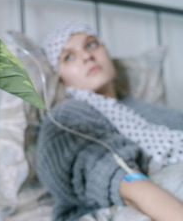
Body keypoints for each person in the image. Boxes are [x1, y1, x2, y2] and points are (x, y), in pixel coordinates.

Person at [36, 21, 183, 221]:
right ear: (60, 78)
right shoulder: (67, 117)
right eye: (68, 57)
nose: (87, 56)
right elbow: (131, 186)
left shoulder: (158, 113)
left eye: (91, 44)